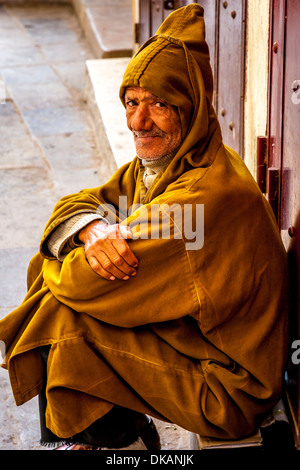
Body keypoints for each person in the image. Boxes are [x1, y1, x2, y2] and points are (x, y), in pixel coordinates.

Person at [0, 4, 289, 450]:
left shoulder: (198, 200)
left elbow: (78, 282)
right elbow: (81, 203)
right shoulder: (173, 162)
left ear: (190, 109)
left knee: (62, 314)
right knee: (58, 277)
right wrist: (89, 229)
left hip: (229, 389)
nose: (138, 122)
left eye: (159, 104)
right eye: (132, 102)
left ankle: (115, 446)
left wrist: (64, 251)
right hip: (196, 346)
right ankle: (109, 439)